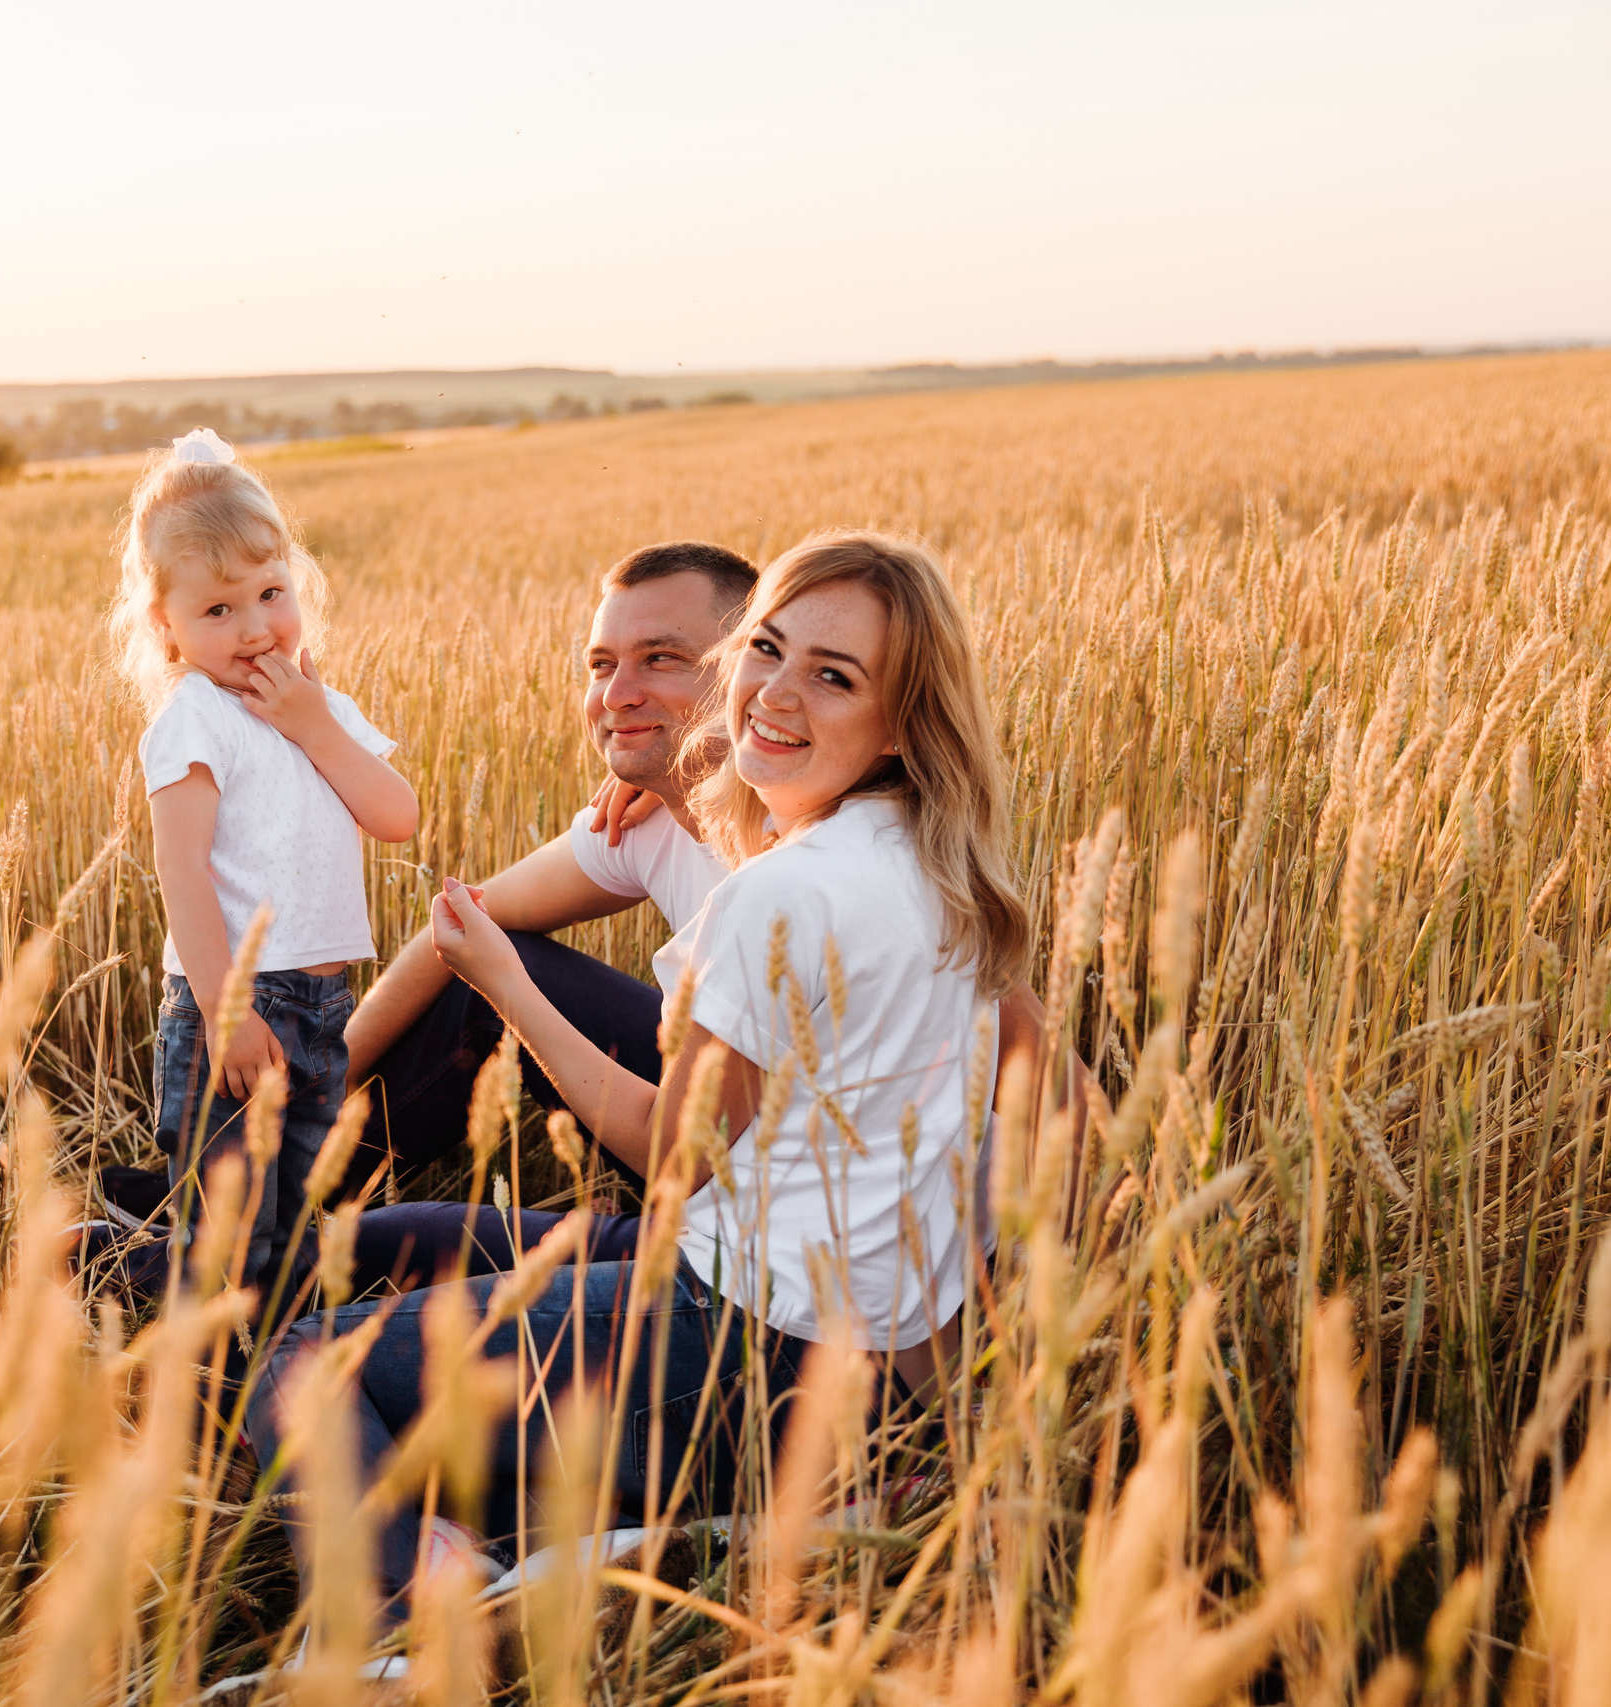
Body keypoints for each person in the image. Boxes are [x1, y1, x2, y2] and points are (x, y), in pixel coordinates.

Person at [247, 530, 1035, 1635]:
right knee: (379, 1243)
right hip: (808, 1312)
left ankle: (433, 1614)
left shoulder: (781, 896)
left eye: (833, 675)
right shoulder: (935, 862)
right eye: (769, 649)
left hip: (747, 1344)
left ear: (901, 720)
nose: (775, 691)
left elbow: (672, 1151)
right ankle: (580, 1525)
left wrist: (509, 989)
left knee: (307, 1372)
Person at [338, 541, 757, 1183]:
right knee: (490, 964)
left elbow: (685, 1161)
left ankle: (238, 1239)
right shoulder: (643, 817)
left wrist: (508, 985)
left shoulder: (801, 852)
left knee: (405, 1260)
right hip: (708, 1129)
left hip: (778, 1212)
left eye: (661, 658)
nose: (618, 694)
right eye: (601, 664)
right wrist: (316, 1093)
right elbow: (460, 923)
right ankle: (258, 1198)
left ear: (750, 671)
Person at [110, 427, 418, 1295]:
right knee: (231, 1242)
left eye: (270, 593)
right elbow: (182, 871)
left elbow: (397, 815)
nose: (253, 629)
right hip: (240, 1007)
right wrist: (226, 1007)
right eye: (218, 610)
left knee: (287, 1237)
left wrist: (314, 725)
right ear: (166, 629)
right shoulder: (194, 719)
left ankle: (238, 1348)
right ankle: (205, 1389)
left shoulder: (317, 707)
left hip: (322, 1009)